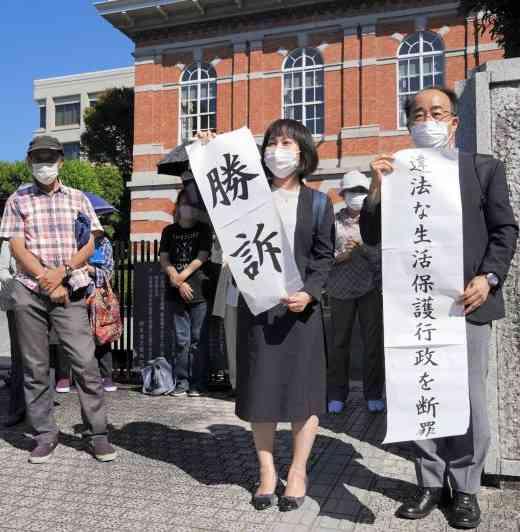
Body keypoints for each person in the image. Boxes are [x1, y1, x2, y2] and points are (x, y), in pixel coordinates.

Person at [359, 87, 518, 529]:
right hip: (416, 307)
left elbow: (504, 230)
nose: (427, 119)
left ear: (454, 122)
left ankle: (465, 489)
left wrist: (487, 279)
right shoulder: (398, 172)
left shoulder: (483, 169)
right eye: (418, 113)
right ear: (409, 123)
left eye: (438, 112)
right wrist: (376, 188)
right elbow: (373, 236)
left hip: (467, 304)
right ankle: (429, 481)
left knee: (467, 398)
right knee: (419, 390)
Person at [234, 119, 335, 511]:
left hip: (301, 313)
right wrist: (209, 149)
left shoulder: (320, 202)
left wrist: (309, 292)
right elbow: (218, 203)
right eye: (272, 142)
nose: (279, 149)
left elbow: (324, 258)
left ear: (303, 151)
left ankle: (297, 471)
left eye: (287, 142)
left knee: (303, 393)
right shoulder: (249, 198)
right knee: (261, 389)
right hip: (259, 309)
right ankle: (265, 471)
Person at [0, 135, 117, 464]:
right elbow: (17, 246)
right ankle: (44, 434)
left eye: (50, 158)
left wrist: (63, 271)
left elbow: (91, 242)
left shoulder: (78, 198)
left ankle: (97, 433)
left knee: (84, 361)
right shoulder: (18, 199)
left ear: (61, 161)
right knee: (36, 367)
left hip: (71, 287)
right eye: (38, 158)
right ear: (29, 162)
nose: (44, 165)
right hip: (30, 290)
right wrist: (45, 277)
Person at [326, 169, 385, 414]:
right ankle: (337, 393)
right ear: (343, 194)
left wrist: (362, 249)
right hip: (339, 291)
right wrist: (343, 256)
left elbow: (383, 255)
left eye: (361, 191)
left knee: (373, 343)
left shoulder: (375, 220)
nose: (356, 196)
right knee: (339, 344)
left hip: (370, 289)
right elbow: (323, 257)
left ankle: (373, 393)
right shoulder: (332, 221)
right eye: (352, 192)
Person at [159, 188, 212, 397]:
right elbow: (164, 258)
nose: (186, 207)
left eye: (191, 204)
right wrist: (176, 279)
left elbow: (203, 256)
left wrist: (182, 276)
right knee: (182, 339)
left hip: (200, 291)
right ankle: (181, 381)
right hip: (175, 292)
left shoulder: (203, 229)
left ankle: (198, 383)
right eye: (183, 203)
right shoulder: (169, 231)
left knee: (198, 338)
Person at [55, 230, 118, 393]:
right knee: (67, 332)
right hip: (72, 290)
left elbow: (108, 272)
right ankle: (64, 376)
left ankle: (105, 375)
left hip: (96, 293)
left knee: (101, 332)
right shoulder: (69, 237)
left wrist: (89, 268)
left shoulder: (103, 243)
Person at [0, 239, 25, 427]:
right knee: (18, 357)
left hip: (45, 299)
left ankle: (41, 408)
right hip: (15, 301)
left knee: (42, 357)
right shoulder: (9, 241)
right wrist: (17, 283)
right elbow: (2, 270)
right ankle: (17, 408)